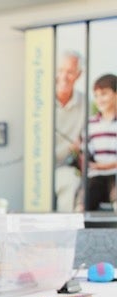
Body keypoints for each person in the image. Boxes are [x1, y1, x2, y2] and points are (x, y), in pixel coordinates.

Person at [54, 50, 85, 212]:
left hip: (63, 168)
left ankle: (61, 235)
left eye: (70, 72)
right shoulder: (39, 98)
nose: (64, 77)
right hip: (35, 168)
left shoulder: (84, 103)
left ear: (79, 75)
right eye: (60, 70)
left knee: (69, 180)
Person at [83, 73, 117, 211]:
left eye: (103, 94)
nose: (99, 99)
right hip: (96, 178)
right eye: (96, 95)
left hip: (115, 176)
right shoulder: (90, 124)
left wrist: (105, 166)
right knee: (86, 201)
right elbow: (85, 152)